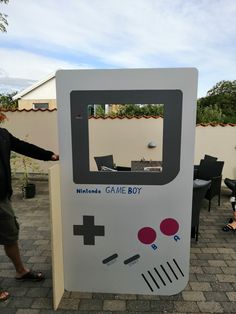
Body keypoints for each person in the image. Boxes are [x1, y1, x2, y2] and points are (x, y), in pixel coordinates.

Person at [0, 127, 59, 301]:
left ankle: (21, 271)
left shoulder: (3, 134)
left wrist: (48, 155)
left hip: (2, 198)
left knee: (11, 235)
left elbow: (23, 147)